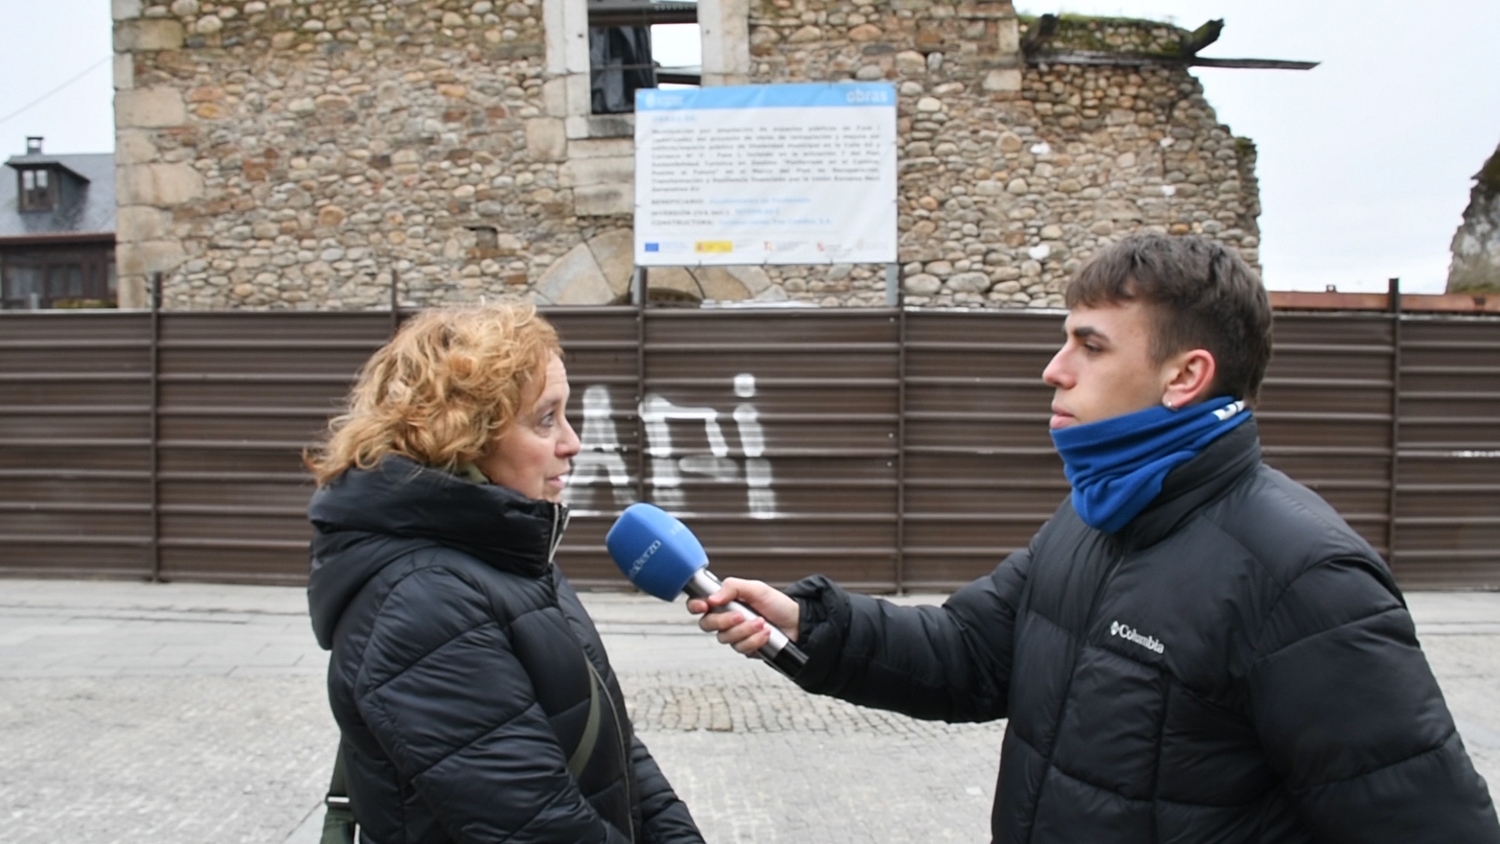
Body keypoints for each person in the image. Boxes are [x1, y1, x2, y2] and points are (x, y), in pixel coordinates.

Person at [690, 234, 1500, 843]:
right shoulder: (1093, 518)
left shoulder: (1304, 576)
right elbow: (970, 653)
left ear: (1185, 376)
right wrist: (808, 624)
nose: (1055, 368)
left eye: (1090, 344)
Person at [305, 303, 703, 844]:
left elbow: (613, 746)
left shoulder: (509, 557)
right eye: (546, 418)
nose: (573, 442)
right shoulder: (420, 604)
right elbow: (538, 827)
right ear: (463, 436)